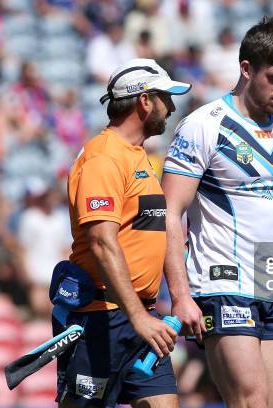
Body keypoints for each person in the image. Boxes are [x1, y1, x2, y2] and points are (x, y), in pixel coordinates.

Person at [161, 16, 273, 408]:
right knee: (251, 400)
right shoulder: (203, 127)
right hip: (220, 287)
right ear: (245, 69)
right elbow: (170, 213)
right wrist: (180, 295)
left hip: (272, 291)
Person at [56, 58, 191, 408]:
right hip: (101, 319)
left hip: (141, 318)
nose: (171, 107)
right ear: (144, 101)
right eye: (165, 97)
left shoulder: (138, 156)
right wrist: (138, 318)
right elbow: (102, 244)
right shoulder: (103, 158)